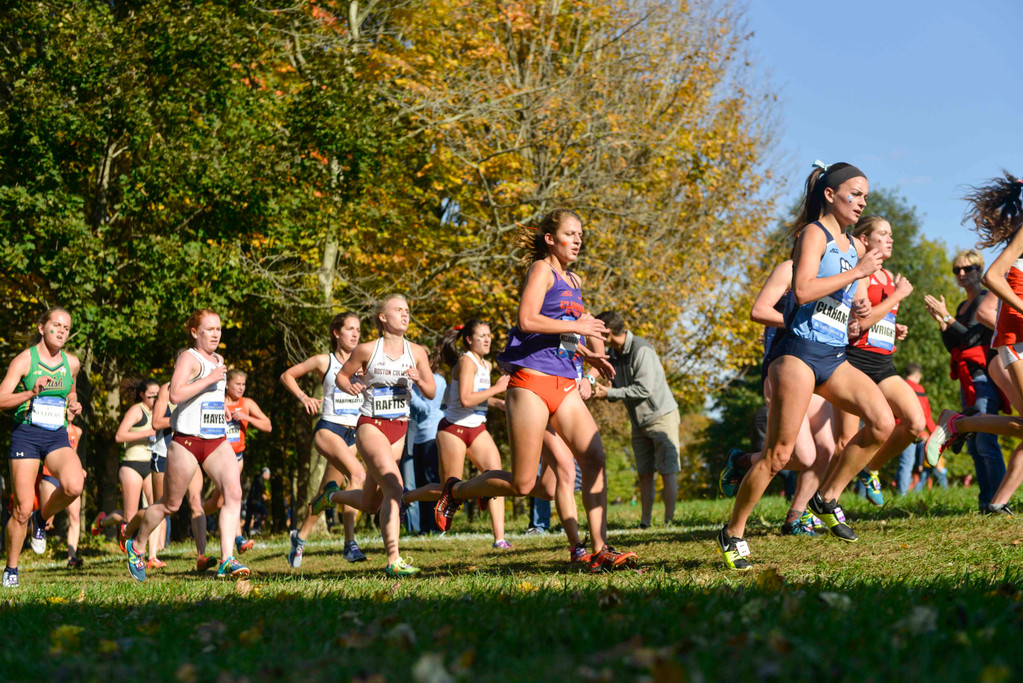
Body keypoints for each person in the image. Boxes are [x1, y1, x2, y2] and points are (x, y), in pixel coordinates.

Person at [719, 161, 902, 571]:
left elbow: (843, 301)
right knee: (780, 455)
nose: (862, 202)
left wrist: (860, 309)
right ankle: (733, 532)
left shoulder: (855, 246)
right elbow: (802, 290)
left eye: (866, 197)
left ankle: (828, 496)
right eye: (854, 194)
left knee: (882, 422)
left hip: (834, 357)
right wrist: (857, 273)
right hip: (797, 353)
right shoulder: (813, 235)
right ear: (830, 194)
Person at [434, 209, 637, 573]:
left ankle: (600, 548)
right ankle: (457, 490)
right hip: (530, 383)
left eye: (580, 234)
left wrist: (591, 356)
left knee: (593, 458)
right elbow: (527, 320)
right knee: (523, 483)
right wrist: (576, 324)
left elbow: (564, 335)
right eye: (570, 233)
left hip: (564, 384)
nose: (577, 240)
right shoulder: (541, 270)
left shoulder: (574, 280)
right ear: (550, 239)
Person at [312, 294, 436, 577]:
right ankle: (394, 559)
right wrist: (350, 387)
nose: (405, 315)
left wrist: (418, 379)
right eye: (398, 310)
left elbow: (430, 392)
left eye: (407, 310)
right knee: (395, 486)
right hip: (371, 426)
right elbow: (341, 377)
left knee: (371, 504)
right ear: (382, 317)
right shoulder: (367, 349)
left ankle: (331, 497)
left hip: (399, 429)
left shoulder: (416, 351)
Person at [124, 309, 250, 581]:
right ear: (195, 332)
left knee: (233, 492)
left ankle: (227, 559)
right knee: (170, 504)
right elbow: (177, 393)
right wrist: (210, 379)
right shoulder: (188, 358)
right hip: (187, 441)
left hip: (216, 440)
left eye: (218, 329)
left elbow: (209, 397)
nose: (216, 334)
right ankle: (136, 546)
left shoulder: (219, 359)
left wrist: (223, 409)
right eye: (209, 329)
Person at [926, 173, 1023, 514]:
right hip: (1014, 342)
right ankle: (959, 425)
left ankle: (958, 424)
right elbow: (992, 277)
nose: (961, 272)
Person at [719, 257, 835, 537]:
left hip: (819, 367)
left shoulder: (834, 273)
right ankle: (742, 463)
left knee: (826, 451)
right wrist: (793, 322)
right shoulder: (791, 268)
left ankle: (795, 517)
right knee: (803, 456)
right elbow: (760, 310)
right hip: (784, 369)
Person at [830, 215, 924, 506]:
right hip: (853, 361)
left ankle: (869, 468)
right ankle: (812, 505)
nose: (890, 239)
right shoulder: (861, 273)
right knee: (844, 443)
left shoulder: (887, 276)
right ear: (865, 240)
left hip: (883, 364)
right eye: (883, 234)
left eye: (890, 234)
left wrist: (894, 326)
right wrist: (897, 296)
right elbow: (864, 317)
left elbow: (875, 319)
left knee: (914, 423)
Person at [403, 320, 511, 548]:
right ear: (469, 340)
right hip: (454, 429)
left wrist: (497, 403)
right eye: (481, 335)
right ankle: (405, 497)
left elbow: (477, 396)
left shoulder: (487, 365)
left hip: (477, 428)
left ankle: (499, 538)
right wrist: (498, 389)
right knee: (450, 490)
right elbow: (465, 399)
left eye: (489, 335)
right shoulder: (465, 362)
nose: (487, 339)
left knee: (497, 477)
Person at [0, 307, 85, 588]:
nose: (61, 331)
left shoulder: (71, 363)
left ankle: (42, 517)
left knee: (74, 485)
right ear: (41, 328)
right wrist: (31, 392)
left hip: (56, 434)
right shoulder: (25, 360)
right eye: (56, 325)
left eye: (66, 328)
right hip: (26, 434)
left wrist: (73, 401)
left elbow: (70, 388)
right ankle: (11, 567)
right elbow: (2, 399)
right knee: (21, 509)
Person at [280, 312, 368, 567]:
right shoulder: (324, 360)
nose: (355, 334)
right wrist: (304, 397)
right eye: (350, 329)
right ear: (336, 333)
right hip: (330, 428)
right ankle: (350, 543)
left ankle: (300, 537)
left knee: (325, 492)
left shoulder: (364, 363)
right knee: (357, 475)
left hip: (354, 434)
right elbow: (287, 375)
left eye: (358, 330)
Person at [923, 249, 1008, 510]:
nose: (961, 274)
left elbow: (975, 339)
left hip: (984, 375)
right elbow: (956, 345)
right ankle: (986, 501)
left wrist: (948, 318)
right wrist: (942, 322)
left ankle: (998, 500)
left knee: (985, 438)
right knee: (974, 442)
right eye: (957, 270)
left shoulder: (985, 300)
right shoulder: (962, 306)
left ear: (979, 271)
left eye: (967, 269)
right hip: (967, 375)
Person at [592, 311, 680, 528]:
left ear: (608, 333)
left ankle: (670, 521)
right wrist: (604, 390)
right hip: (638, 422)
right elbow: (618, 386)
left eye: (597, 332)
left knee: (667, 470)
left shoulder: (641, 349)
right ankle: (645, 522)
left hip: (661, 416)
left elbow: (643, 389)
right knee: (644, 473)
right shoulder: (614, 353)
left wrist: (610, 394)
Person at [92, 379, 166, 567]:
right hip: (132, 465)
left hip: (151, 465)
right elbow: (119, 436)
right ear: (142, 395)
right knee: (129, 517)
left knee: (155, 509)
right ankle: (102, 522)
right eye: (152, 396)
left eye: (158, 395)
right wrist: (147, 432)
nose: (156, 399)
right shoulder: (136, 411)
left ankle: (152, 557)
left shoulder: (159, 412)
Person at [203, 369, 271, 556]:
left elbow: (268, 425)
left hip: (238, 457)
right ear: (227, 384)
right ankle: (239, 539)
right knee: (231, 496)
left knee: (218, 502)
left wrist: (246, 417)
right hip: (217, 457)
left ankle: (196, 516)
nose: (241, 388)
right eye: (237, 384)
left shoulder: (247, 404)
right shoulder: (217, 401)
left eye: (243, 385)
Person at [37, 421, 84, 568]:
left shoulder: (78, 431)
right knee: (46, 521)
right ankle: (24, 538)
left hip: (68, 476)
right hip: (50, 475)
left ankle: (72, 558)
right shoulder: (51, 427)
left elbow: (73, 454)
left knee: (75, 516)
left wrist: (79, 469)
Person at [895, 363, 937, 495]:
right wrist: (935, 433)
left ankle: (901, 492)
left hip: (896, 428)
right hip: (914, 431)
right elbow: (926, 415)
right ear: (917, 375)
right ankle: (903, 495)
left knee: (904, 463)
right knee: (910, 463)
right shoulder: (918, 389)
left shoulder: (896, 385)